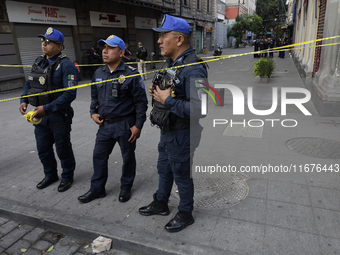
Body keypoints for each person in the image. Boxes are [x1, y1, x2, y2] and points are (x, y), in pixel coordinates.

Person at [138, 14, 208, 232]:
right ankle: (160, 203)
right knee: (164, 169)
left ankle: (186, 213)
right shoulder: (172, 63)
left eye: (163, 36)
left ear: (179, 39)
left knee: (181, 175)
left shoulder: (195, 68)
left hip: (183, 133)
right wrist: (156, 91)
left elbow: (201, 108)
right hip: (168, 130)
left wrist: (166, 100)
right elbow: (169, 88)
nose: (158, 41)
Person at [78, 35, 148, 204]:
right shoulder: (98, 72)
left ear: (121, 52)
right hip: (105, 125)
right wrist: (92, 112)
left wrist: (138, 126)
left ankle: (126, 187)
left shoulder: (131, 74)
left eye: (110, 48)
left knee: (128, 157)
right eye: (103, 48)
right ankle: (97, 189)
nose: (105, 51)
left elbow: (141, 103)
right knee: (99, 156)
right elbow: (94, 95)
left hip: (125, 124)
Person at [19, 27, 78, 192]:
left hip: (59, 115)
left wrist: (47, 108)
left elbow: (70, 94)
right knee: (43, 148)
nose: (44, 44)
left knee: (62, 147)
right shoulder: (38, 61)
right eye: (43, 40)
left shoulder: (67, 66)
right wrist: (24, 99)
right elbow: (29, 82)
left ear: (59, 47)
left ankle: (67, 176)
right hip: (40, 115)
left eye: (49, 42)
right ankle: (50, 174)